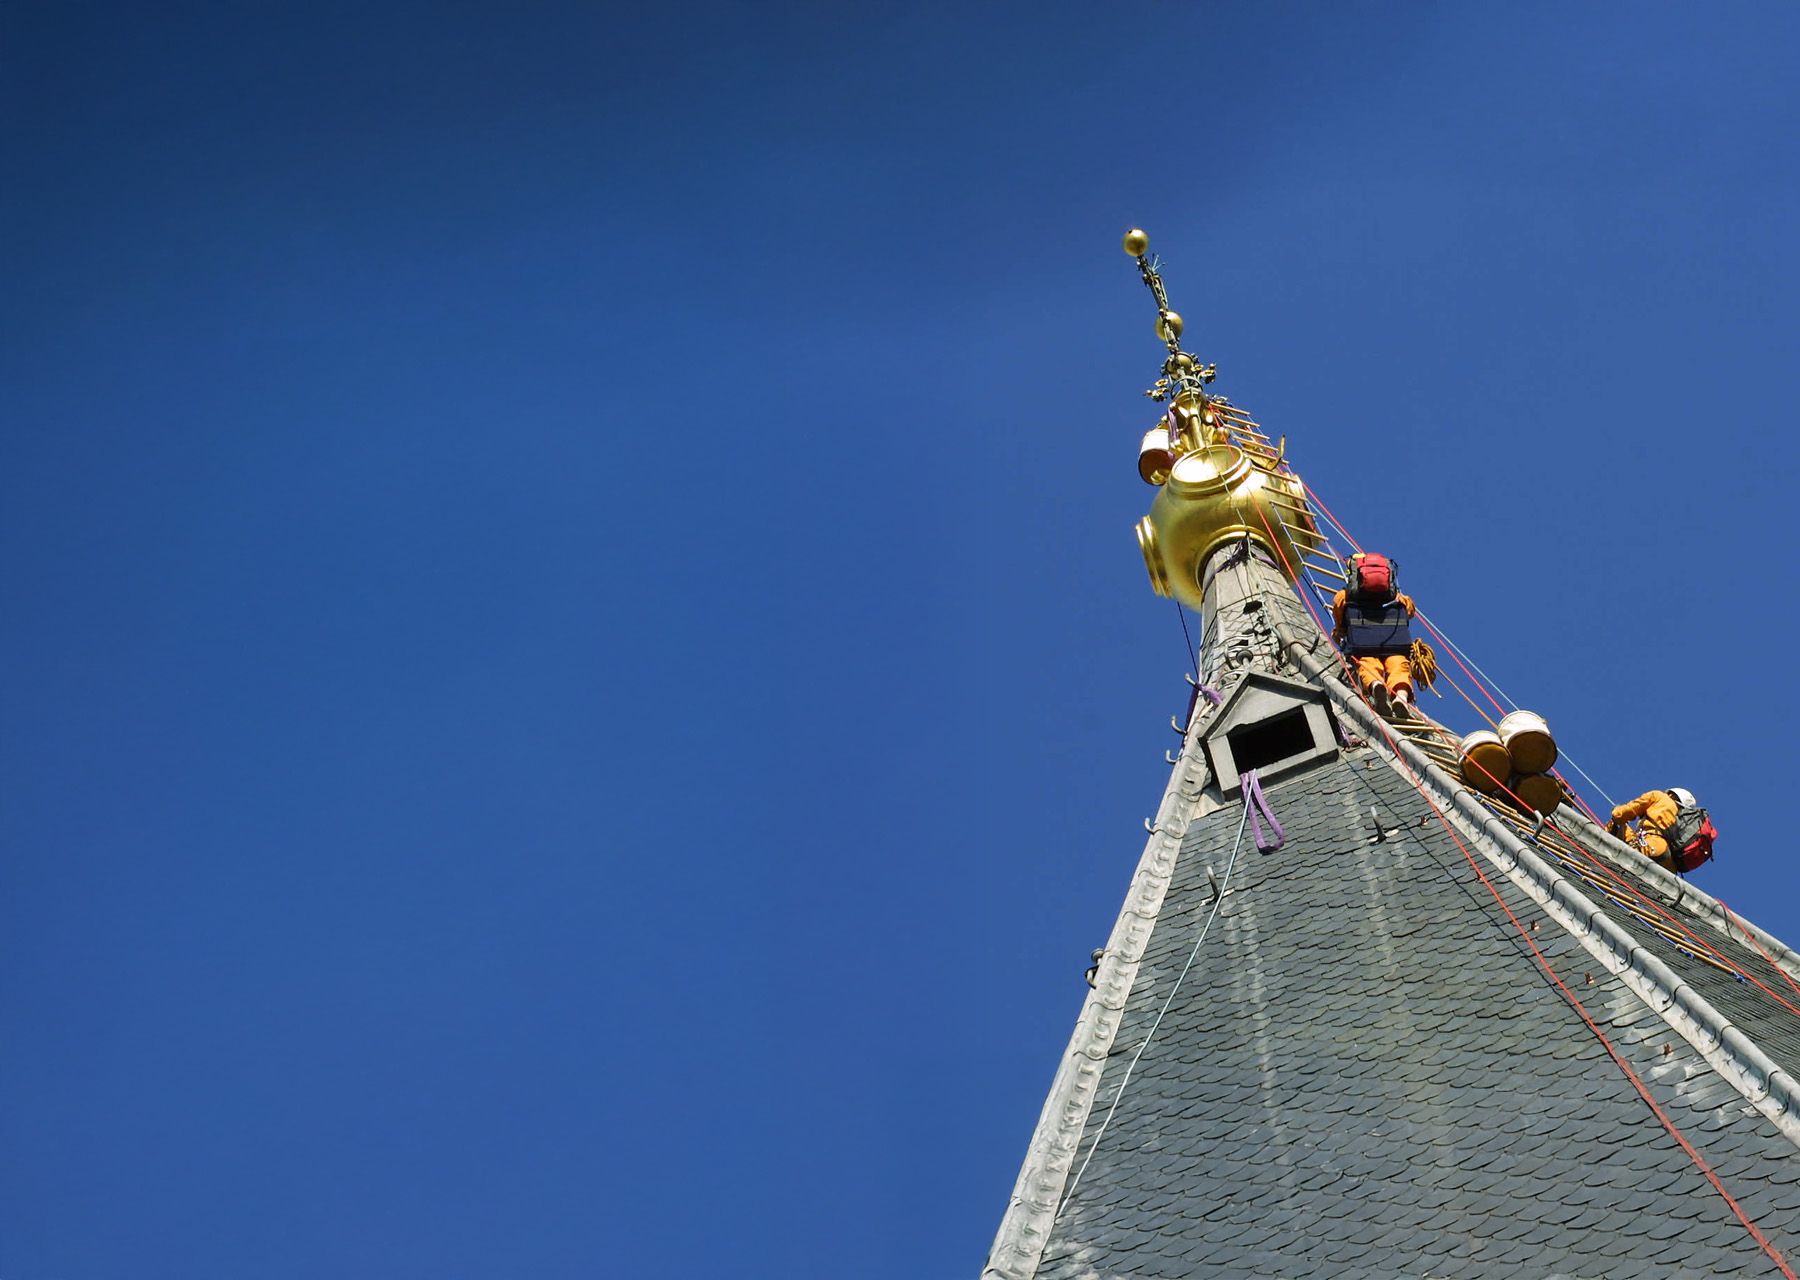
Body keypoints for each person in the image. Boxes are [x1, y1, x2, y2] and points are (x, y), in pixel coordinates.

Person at [1331, 552, 1417, 718]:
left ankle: (1376, 684)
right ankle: (1400, 696)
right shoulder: (1396, 596)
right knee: (1399, 666)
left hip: (1363, 642)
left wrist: (1339, 631)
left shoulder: (1346, 595)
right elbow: (1410, 609)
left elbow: (1338, 608)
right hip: (1395, 642)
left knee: (1367, 664)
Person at [1609, 787, 1716, 872]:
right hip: (1669, 865)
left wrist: (1617, 812)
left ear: (1670, 794)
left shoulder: (1659, 796)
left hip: (1651, 847)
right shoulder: (1682, 818)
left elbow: (1621, 815)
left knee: (1613, 826)